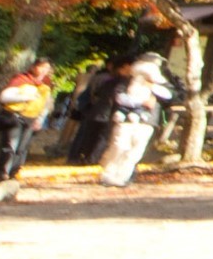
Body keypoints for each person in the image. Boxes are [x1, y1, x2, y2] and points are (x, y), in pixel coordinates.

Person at [98, 52, 176, 187]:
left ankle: (122, 176)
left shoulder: (162, 82)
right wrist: (141, 102)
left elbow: (170, 96)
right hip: (125, 120)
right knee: (119, 146)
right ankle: (108, 174)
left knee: (135, 151)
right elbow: (119, 97)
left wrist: (152, 87)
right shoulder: (126, 80)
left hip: (147, 121)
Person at [0, 59, 56, 183]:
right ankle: (2, 173)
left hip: (32, 118)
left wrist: (40, 119)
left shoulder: (46, 84)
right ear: (34, 67)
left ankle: (13, 172)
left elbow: (46, 104)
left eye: (47, 68)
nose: (44, 71)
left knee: (22, 149)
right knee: (10, 146)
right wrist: (26, 97)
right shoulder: (21, 79)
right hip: (15, 116)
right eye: (41, 67)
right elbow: (4, 97)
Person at [63, 58, 123, 165]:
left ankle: (76, 156)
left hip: (91, 109)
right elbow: (94, 93)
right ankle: (83, 158)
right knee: (90, 135)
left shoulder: (100, 77)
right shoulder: (105, 79)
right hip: (96, 110)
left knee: (86, 135)